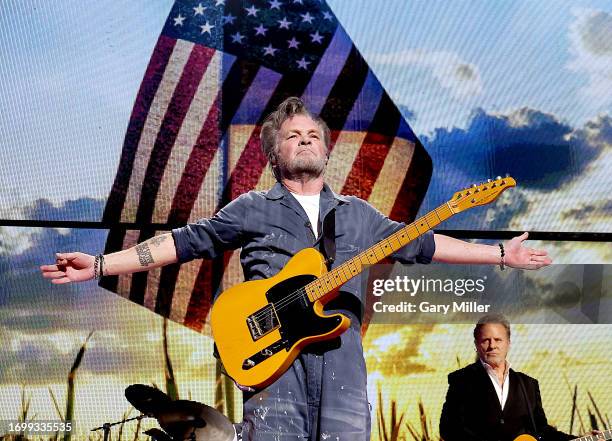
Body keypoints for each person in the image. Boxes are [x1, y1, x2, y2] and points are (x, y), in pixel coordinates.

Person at [41, 97, 551, 441]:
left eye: (312, 134)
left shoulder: (359, 214)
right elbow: (183, 242)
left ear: (326, 150)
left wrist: (502, 254)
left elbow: (425, 243)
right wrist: (102, 264)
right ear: (273, 151)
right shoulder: (251, 208)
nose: (304, 139)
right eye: (292, 135)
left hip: (344, 365)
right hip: (271, 363)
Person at [439, 314, 601, 441]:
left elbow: (542, 430)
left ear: (508, 343)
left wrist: (581, 439)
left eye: (498, 340)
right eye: (485, 340)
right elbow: (448, 429)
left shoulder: (528, 384)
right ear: (476, 345)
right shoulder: (461, 380)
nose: (492, 345)